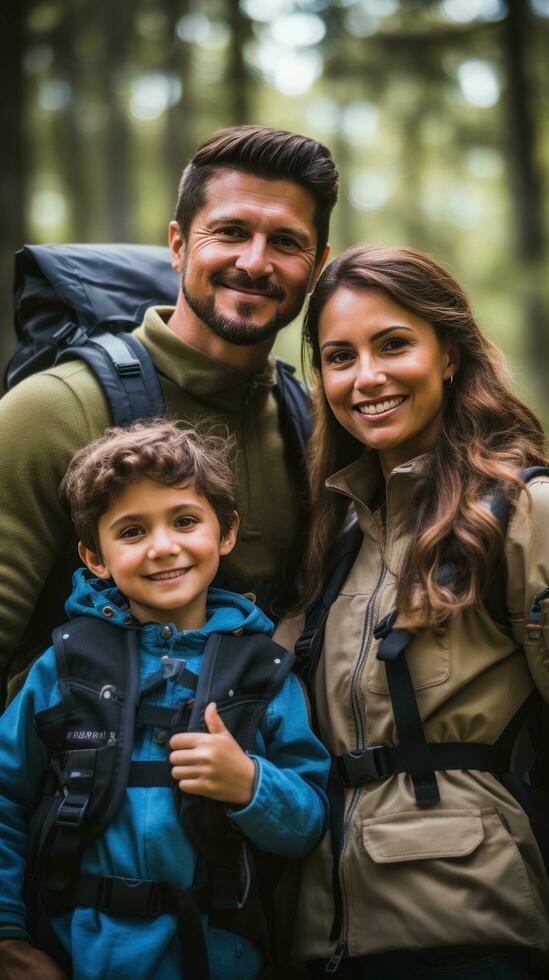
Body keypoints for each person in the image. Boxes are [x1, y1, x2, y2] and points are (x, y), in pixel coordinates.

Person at [278, 245, 549, 978]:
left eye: (392, 344)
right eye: (339, 357)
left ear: (449, 354)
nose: (365, 378)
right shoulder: (336, 536)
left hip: (469, 927)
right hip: (322, 939)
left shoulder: (524, 511)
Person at [0, 124, 338, 700]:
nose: (255, 263)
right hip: (77, 784)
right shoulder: (53, 409)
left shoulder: (316, 426)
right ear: (179, 244)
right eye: (230, 232)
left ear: (319, 262)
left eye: (286, 242)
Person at [0, 419, 330, 980]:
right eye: (131, 531)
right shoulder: (64, 669)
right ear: (94, 556)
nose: (163, 547)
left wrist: (251, 784)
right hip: (76, 955)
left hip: (223, 957)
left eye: (184, 521)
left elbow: (309, 824)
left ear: (225, 532)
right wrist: (7, 937)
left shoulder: (265, 674)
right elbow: (5, 798)